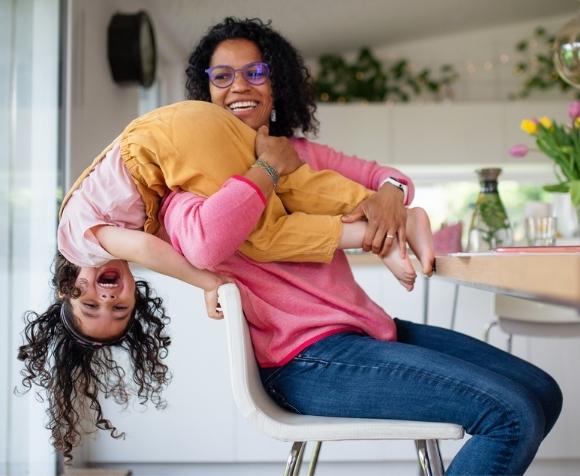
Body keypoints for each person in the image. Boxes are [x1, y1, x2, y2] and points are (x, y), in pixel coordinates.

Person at [169, 17, 562, 475]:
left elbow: (389, 177)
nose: (241, 85)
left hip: (365, 331)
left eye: (255, 72)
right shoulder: (194, 175)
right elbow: (203, 245)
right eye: (223, 76)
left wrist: (391, 197)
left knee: (541, 390)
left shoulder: (305, 156)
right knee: (511, 415)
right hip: (305, 361)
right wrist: (267, 169)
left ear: (276, 86)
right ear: (206, 91)